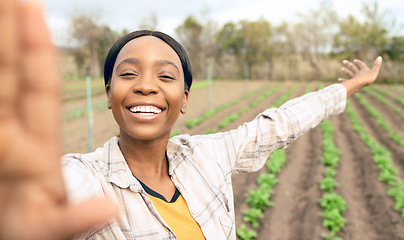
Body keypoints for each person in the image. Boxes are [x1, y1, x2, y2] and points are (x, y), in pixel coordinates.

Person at [0, 0, 382, 240]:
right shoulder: (86, 178)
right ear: (107, 93)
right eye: (128, 74)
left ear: (183, 100)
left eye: (165, 76)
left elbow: (280, 123)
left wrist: (348, 88)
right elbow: (45, 196)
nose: (146, 86)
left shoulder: (206, 156)